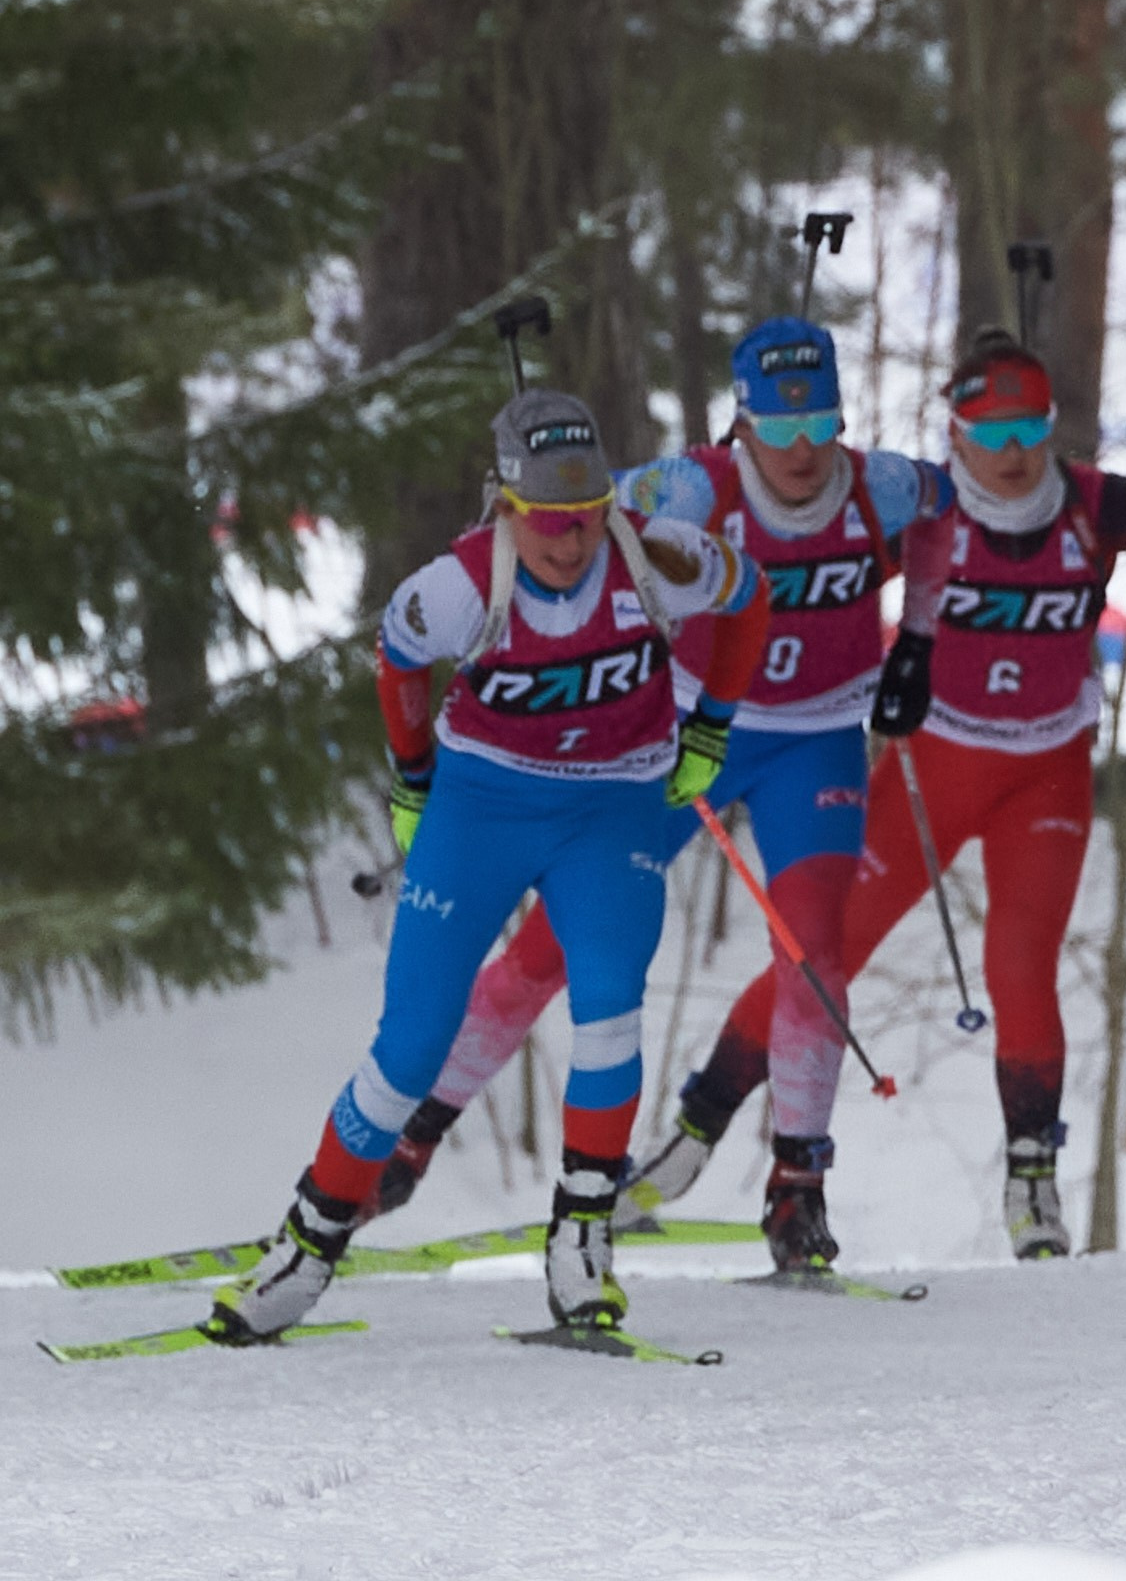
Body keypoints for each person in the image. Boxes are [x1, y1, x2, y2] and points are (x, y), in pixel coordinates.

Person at [620, 329, 1126, 1260]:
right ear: (954, 431)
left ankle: (1033, 1185)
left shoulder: (1098, 504)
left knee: (1021, 968)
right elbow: (796, 588)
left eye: (1030, 426)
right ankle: (695, 1131)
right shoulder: (924, 510)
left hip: (1048, 770)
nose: (1012, 451)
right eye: (989, 432)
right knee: (819, 954)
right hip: (932, 771)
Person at [357, 320, 947, 1276]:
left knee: (813, 956)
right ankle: (418, 1132)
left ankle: (798, 1186)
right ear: (741, 421)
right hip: (672, 747)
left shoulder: (880, 483)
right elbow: (564, 517)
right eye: (778, 424)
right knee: (544, 951)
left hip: (814, 742)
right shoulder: (686, 488)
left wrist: (918, 637)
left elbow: (945, 507)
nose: (801, 449)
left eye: (822, 422)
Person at [212, 389, 767, 1339]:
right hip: (485, 807)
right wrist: (414, 778)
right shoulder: (461, 584)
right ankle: (308, 1243)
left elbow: (749, 596)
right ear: (508, 504)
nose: (571, 540)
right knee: (413, 1042)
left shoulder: (656, 557)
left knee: (608, 1011)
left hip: (613, 802)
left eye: (588, 516)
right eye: (549, 520)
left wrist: (711, 726)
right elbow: (397, 660)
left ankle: (581, 1238)